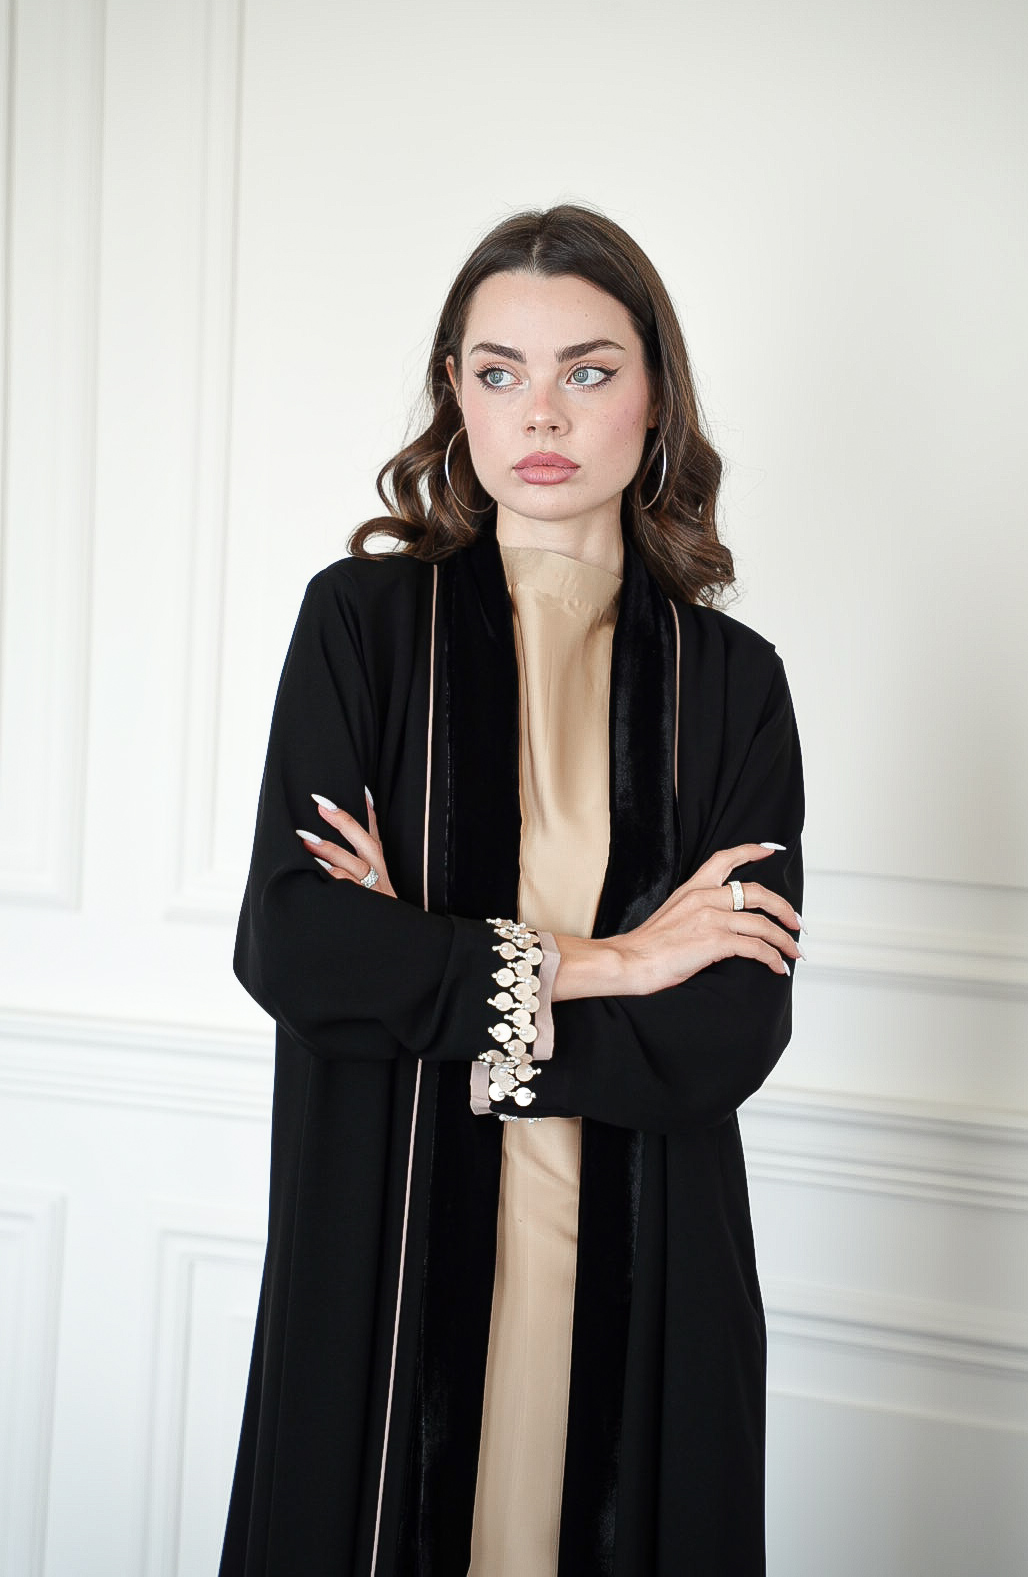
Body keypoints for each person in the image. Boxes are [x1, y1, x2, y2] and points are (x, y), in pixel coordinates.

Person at [218, 203, 805, 1577]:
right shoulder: (363, 626)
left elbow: (731, 1024)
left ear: (656, 399)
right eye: (499, 372)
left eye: (588, 370)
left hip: (650, 1268)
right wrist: (613, 961)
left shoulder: (733, 686)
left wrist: (428, 971)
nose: (541, 412)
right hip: (385, 1247)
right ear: (457, 395)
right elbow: (295, 944)